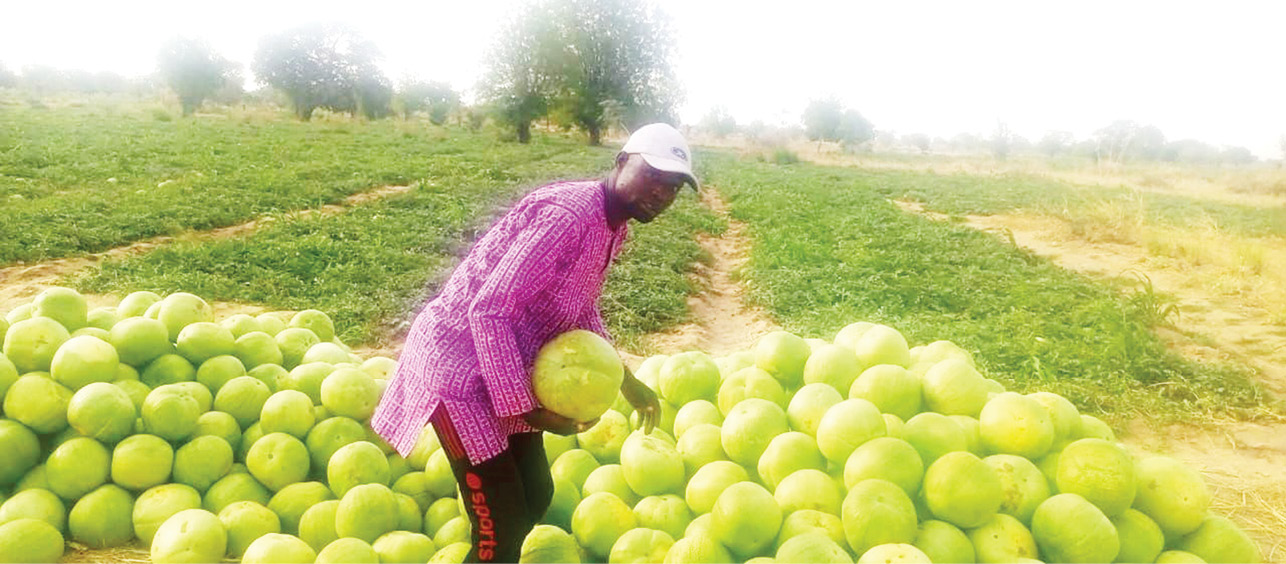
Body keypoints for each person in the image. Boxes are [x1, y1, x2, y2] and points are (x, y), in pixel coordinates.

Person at [371, 123, 699, 563]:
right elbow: (489, 309)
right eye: (654, 175)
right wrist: (525, 407)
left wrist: (626, 380)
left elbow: (578, 309)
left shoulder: (611, 225)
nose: (662, 192)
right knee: (499, 531)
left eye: (674, 187)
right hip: (458, 370)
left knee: (537, 495)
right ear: (621, 162)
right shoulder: (569, 217)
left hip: (503, 365)